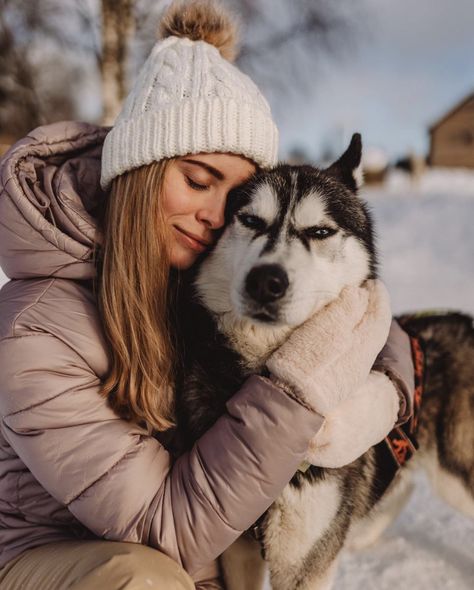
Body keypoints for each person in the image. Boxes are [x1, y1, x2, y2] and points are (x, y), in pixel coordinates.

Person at [0, 1, 415, 588]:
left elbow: (340, 302)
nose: (217, 217)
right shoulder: (35, 332)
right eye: (197, 180)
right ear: (141, 171)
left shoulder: (196, 263)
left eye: (239, 202)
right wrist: (297, 391)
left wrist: (385, 390)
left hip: (192, 545)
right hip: (60, 558)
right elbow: (162, 527)